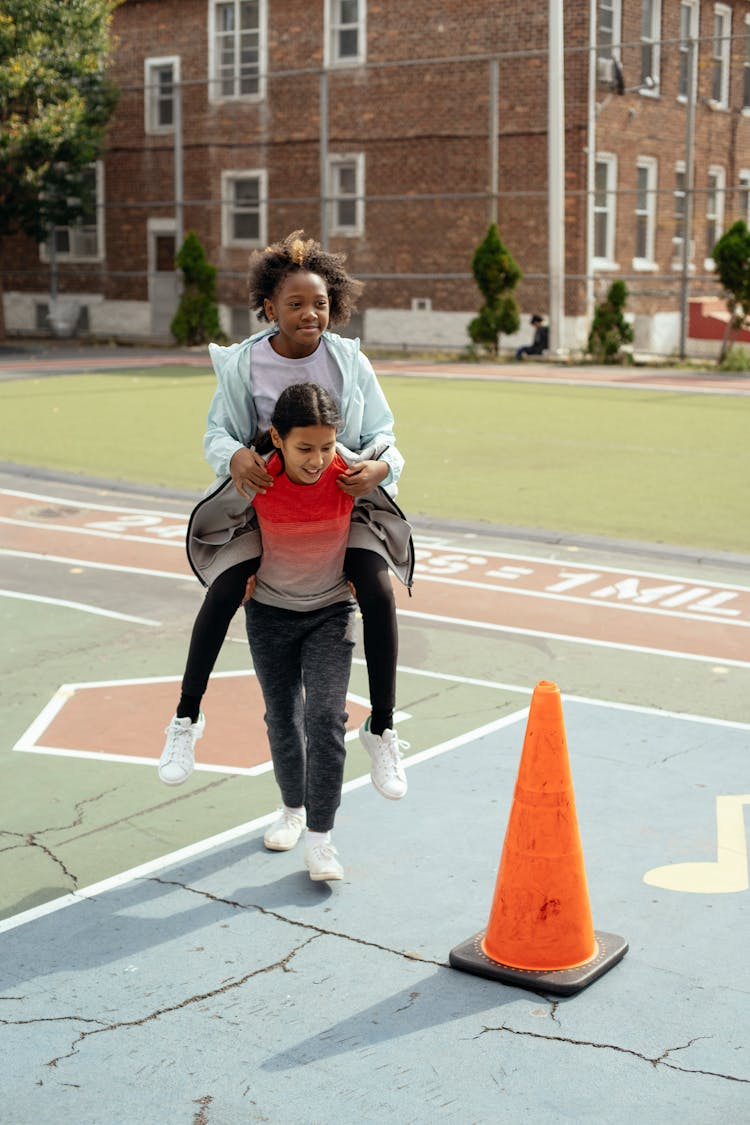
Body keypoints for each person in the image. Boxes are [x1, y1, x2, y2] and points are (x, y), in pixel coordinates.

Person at [158, 230, 411, 803]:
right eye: (295, 303)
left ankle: (383, 729)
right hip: (265, 503)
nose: (309, 313)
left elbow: (383, 436)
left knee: (376, 590)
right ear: (269, 307)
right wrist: (237, 455)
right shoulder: (244, 364)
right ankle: (185, 720)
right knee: (224, 591)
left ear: (335, 306)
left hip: (341, 503)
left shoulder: (348, 360)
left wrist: (382, 469)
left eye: (319, 302)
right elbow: (215, 433)